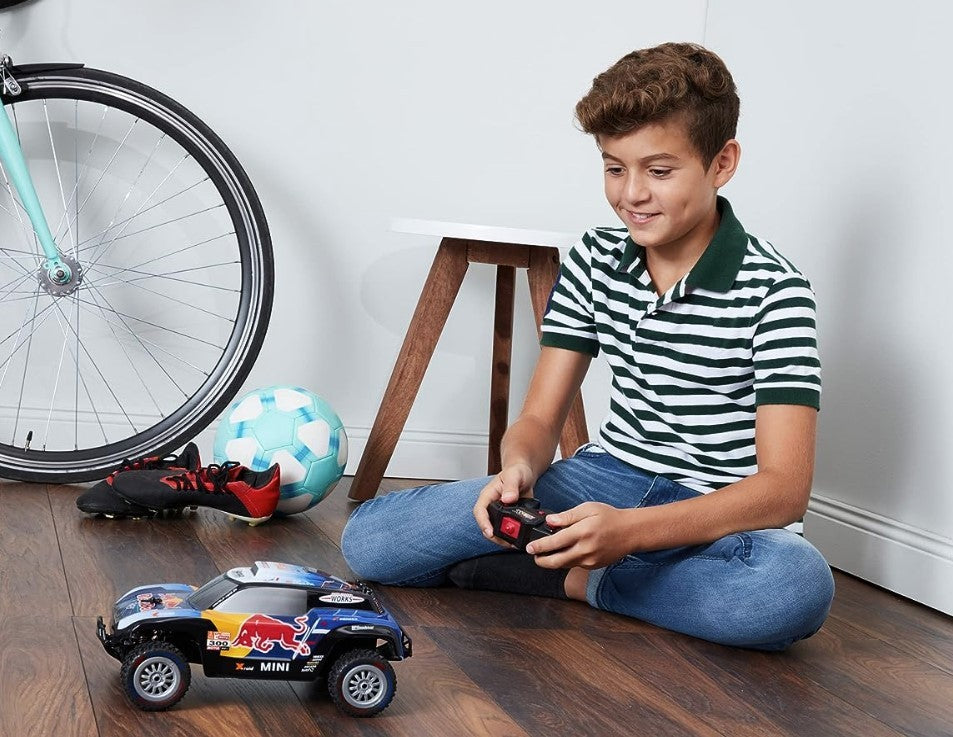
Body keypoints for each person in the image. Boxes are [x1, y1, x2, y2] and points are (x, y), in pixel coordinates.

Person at [341, 42, 834, 651]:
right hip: (606, 478)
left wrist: (630, 533)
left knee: (791, 588)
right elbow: (538, 419)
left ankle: (577, 581)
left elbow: (784, 488)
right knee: (370, 542)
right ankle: (606, 567)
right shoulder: (595, 259)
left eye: (659, 171)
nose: (632, 194)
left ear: (722, 162)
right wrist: (519, 469)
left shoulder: (776, 290)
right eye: (613, 168)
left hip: (716, 512)